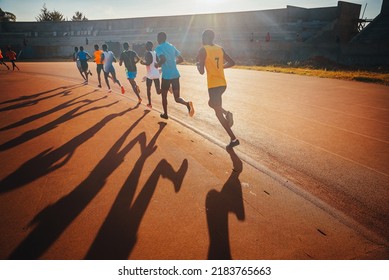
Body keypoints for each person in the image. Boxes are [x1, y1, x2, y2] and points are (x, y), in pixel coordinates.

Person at [196, 29, 239, 149]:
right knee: (211, 103)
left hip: (213, 85)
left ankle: (233, 139)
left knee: (217, 113)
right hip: (222, 83)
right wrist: (220, 68)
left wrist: (198, 64)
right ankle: (227, 113)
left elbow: (201, 72)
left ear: (204, 37)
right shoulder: (219, 48)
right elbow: (232, 62)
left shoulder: (203, 50)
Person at [155, 32, 194, 119]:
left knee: (164, 96)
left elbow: (163, 59)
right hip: (175, 74)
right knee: (177, 98)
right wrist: (173, 63)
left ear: (159, 39)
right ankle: (187, 103)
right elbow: (181, 59)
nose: (157, 40)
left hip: (166, 76)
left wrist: (157, 64)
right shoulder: (171, 46)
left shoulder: (159, 48)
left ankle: (165, 114)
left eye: (157, 38)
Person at [140, 41, 161, 109]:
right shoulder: (155, 53)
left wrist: (142, 62)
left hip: (150, 74)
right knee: (158, 91)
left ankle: (149, 103)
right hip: (156, 73)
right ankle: (167, 88)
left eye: (146, 45)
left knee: (148, 89)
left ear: (147, 46)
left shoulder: (147, 53)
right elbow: (158, 62)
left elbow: (148, 63)